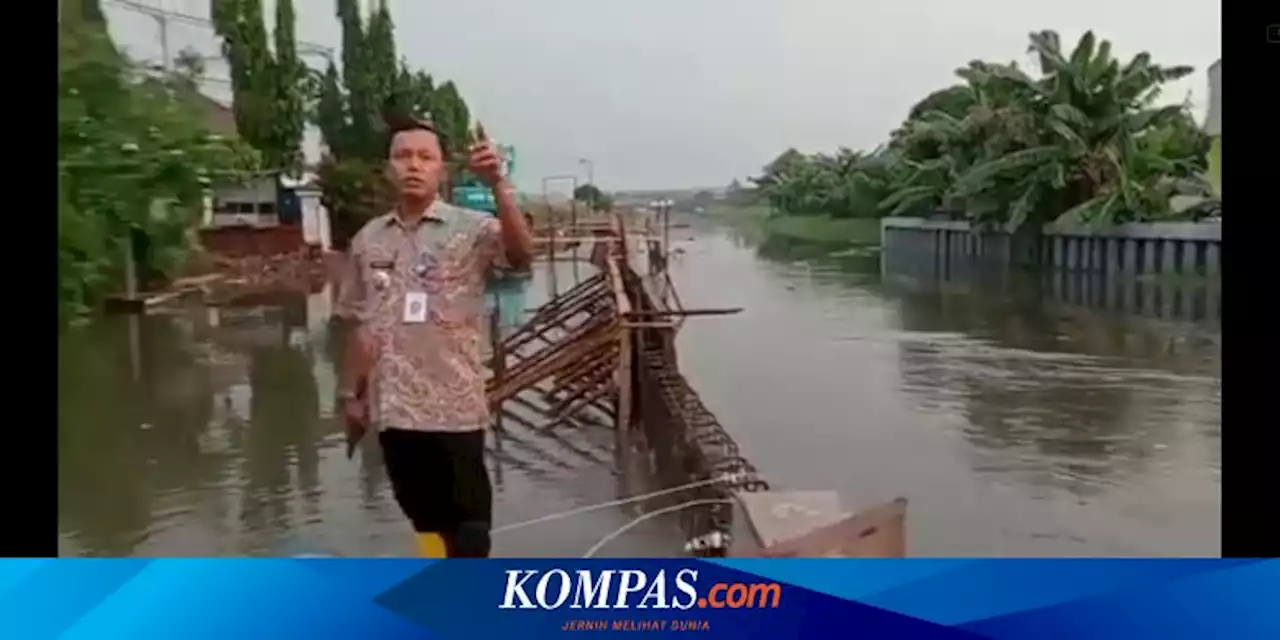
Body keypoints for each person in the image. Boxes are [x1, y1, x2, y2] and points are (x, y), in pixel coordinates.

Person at [335, 118, 534, 558]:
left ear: (442, 170)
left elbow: (521, 257)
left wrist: (499, 184)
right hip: (395, 413)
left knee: (470, 532)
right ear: (388, 167)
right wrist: (351, 394)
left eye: (426, 157)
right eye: (403, 156)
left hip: (455, 408)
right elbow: (357, 322)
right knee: (425, 525)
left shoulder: (473, 229)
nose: (414, 165)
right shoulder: (368, 239)